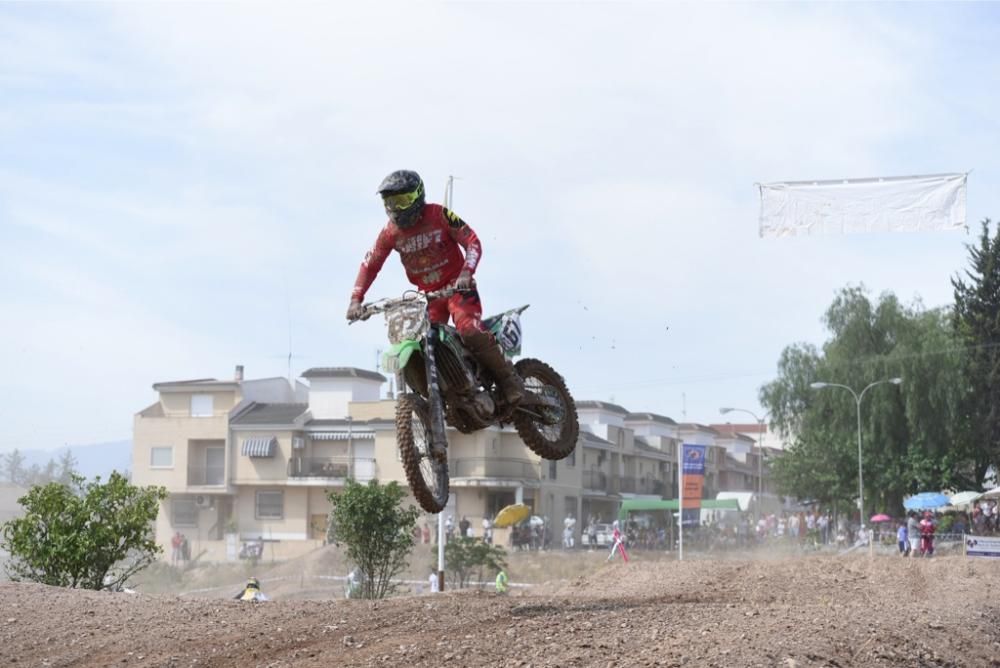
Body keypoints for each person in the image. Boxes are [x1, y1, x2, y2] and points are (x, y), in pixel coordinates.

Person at [346, 169, 524, 405]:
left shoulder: (438, 214)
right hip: (427, 298)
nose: (397, 208)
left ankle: (509, 379)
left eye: (402, 200)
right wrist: (356, 299)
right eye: (391, 202)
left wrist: (466, 273)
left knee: (469, 330)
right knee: (420, 340)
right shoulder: (390, 233)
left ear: (418, 196)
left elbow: (472, 241)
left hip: (457, 289)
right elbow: (370, 265)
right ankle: (446, 393)